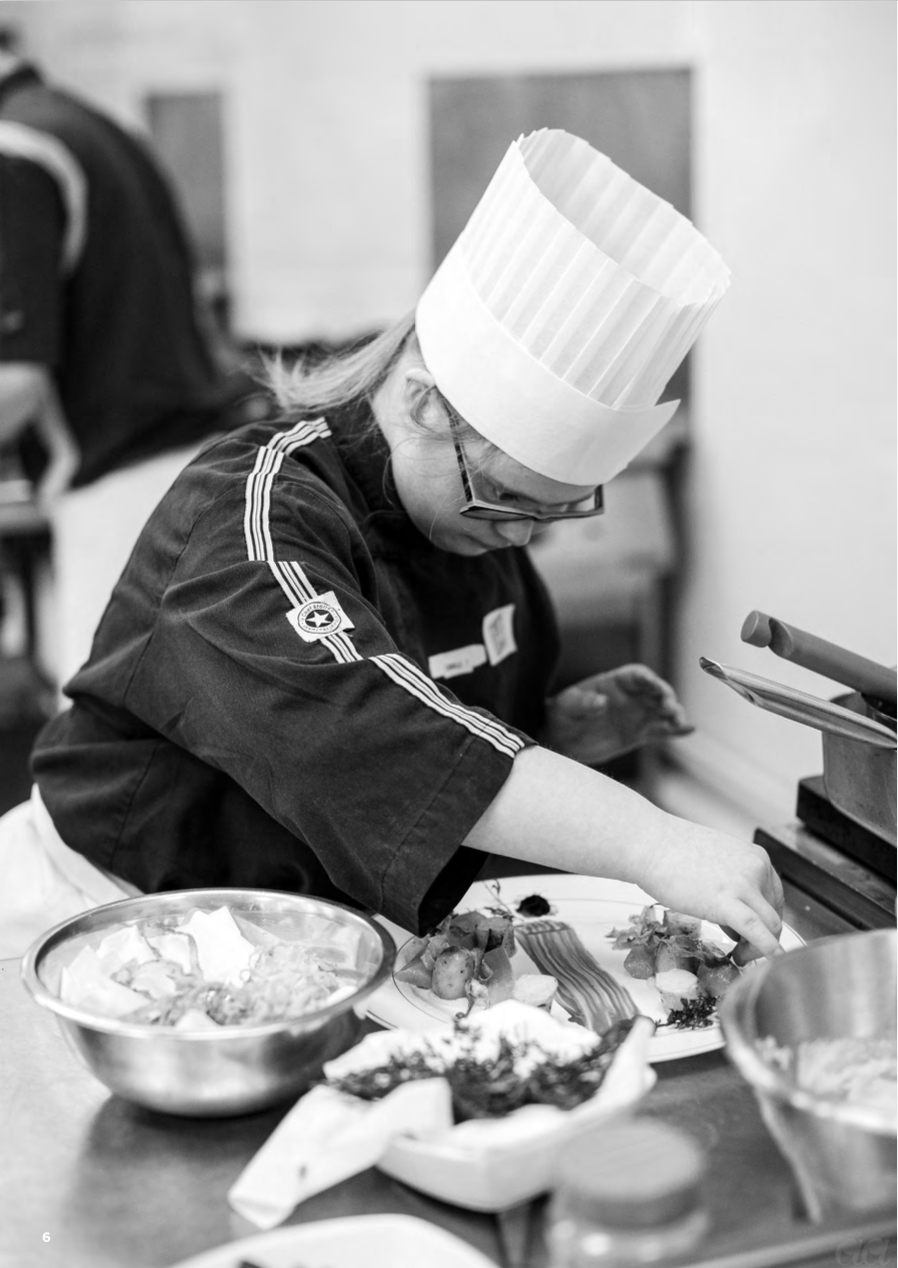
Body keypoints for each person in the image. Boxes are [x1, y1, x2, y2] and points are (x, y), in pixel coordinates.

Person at [0, 129, 784, 963]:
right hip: (105, 915)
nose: (520, 535)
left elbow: (444, 734)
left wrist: (556, 732)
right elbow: (364, 735)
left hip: (290, 940)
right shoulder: (251, 513)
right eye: (508, 499)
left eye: (553, 512)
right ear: (423, 403)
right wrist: (654, 842)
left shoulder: (470, 522)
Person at [0, 37, 263, 688]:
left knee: (102, 765)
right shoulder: (91, 126)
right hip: (191, 470)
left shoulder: (15, 149)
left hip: (119, 496)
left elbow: (15, 382)